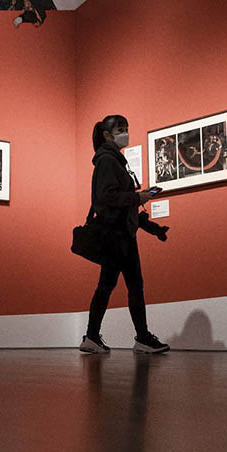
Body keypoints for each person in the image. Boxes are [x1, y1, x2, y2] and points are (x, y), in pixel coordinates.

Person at [80, 115, 171, 355]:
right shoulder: (108, 161)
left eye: (127, 128)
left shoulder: (114, 161)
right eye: (121, 129)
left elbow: (122, 204)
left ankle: (92, 337)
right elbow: (106, 198)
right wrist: (138, 197)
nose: (126, 133)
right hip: (118, 236)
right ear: (107, 135)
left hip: (119, 234)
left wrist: (153, 229)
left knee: (108, 285)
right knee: (133, 285)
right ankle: (141, 337)